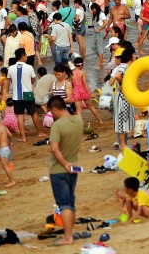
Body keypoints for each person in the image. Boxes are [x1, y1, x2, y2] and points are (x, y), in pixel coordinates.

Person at [47, 95, 83, 245]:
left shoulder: (57, 125)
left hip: (59, 169)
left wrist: (64, 163)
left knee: (64, 203)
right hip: (74, 167)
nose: (51, 115)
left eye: (51, 111)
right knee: (71, 201)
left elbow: (54, 148)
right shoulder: (78, 121)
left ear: (55, 109)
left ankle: (68, 237)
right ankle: (70, 233)